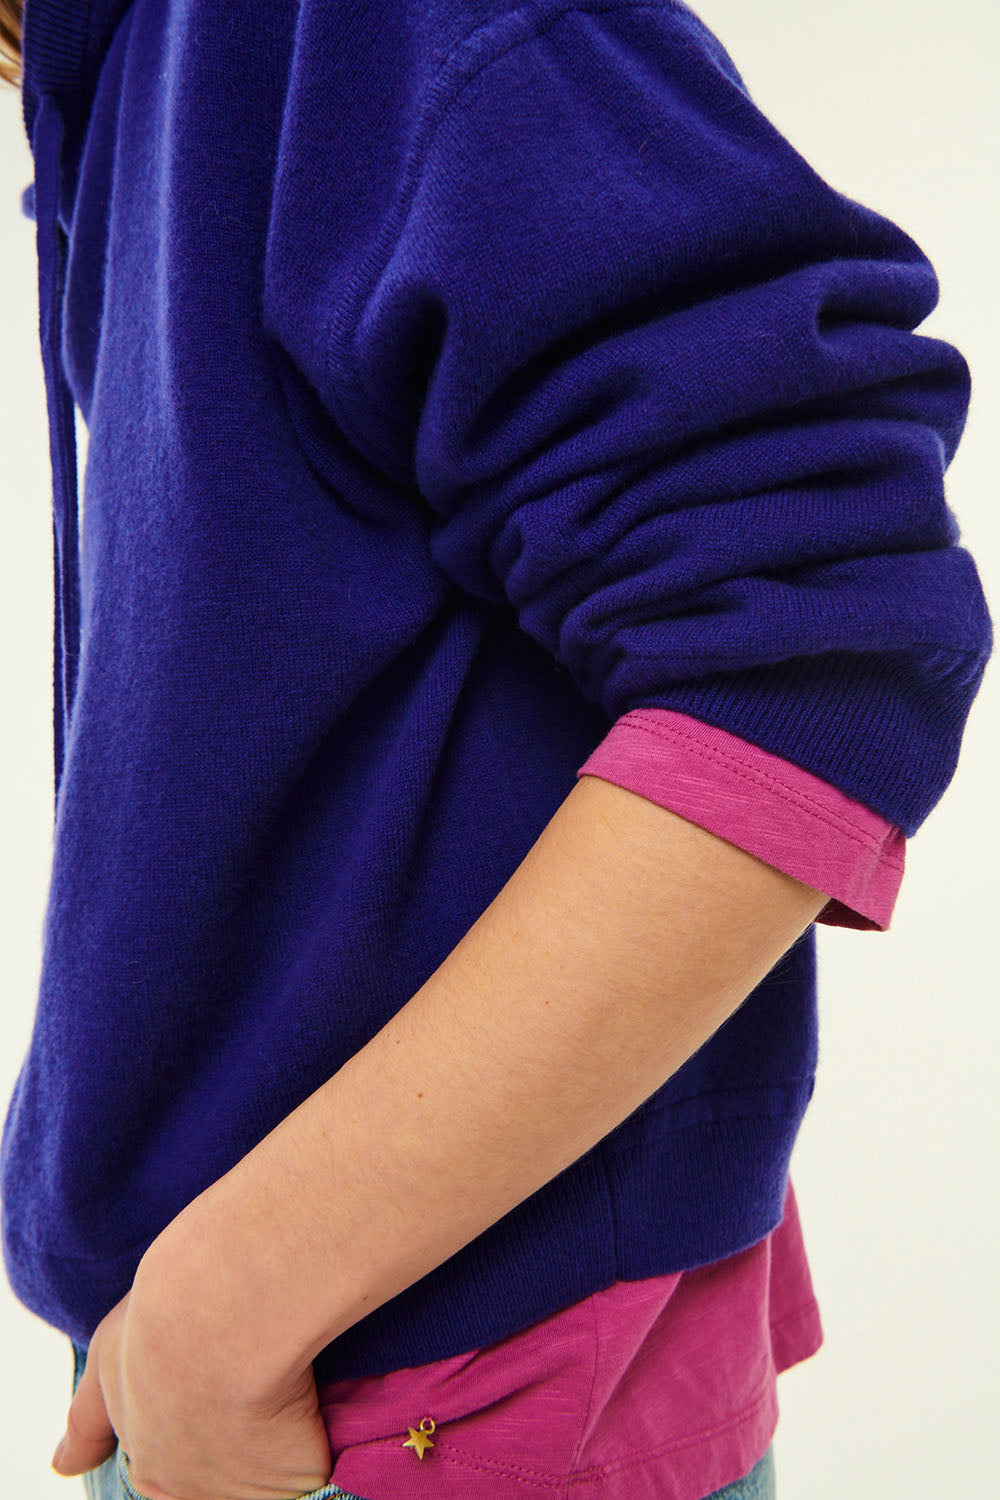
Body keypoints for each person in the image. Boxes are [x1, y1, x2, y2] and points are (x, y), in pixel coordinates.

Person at [0, 2, 992, 1498]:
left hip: (414, 1404)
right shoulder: (141, 58)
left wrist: (238, 1300)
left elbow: (812, 643)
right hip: (271, 1377)